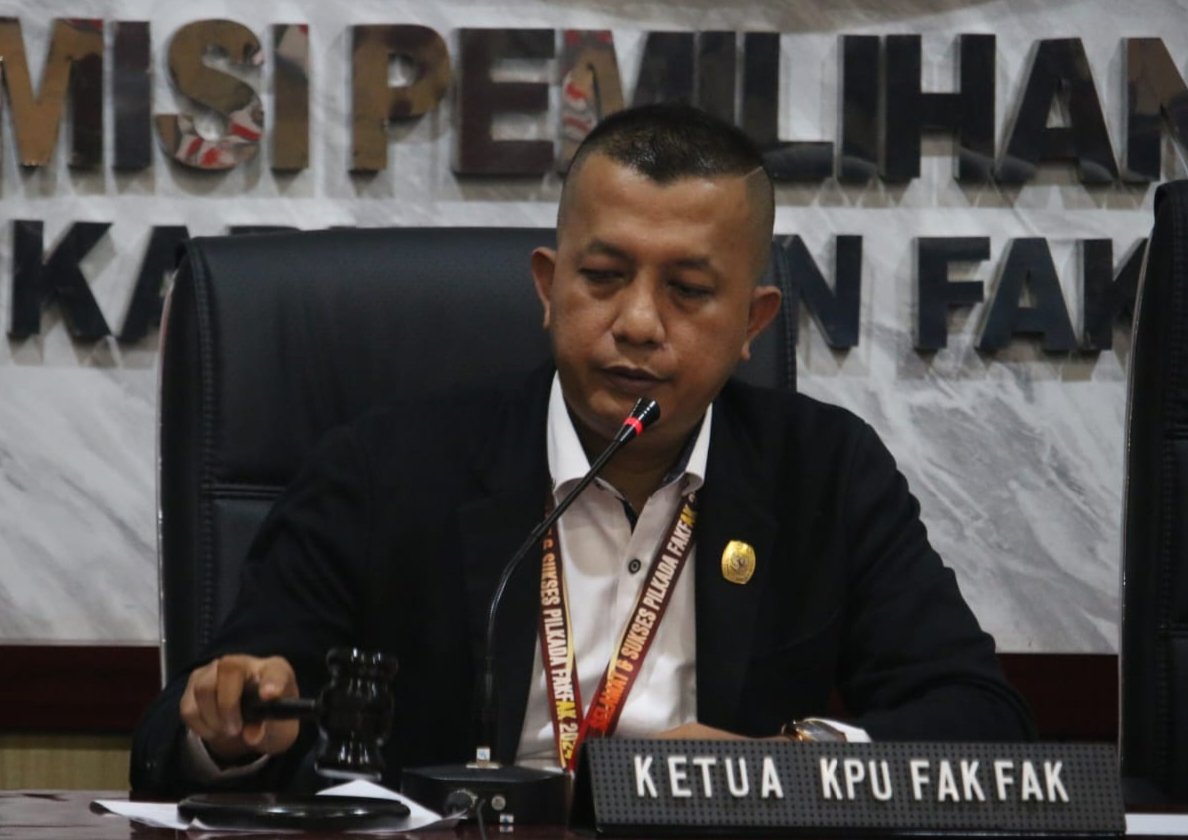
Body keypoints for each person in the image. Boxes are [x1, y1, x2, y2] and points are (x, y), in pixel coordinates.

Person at [131, 103, 1033, 796]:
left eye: (688, 290)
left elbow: (981, 724)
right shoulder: (384, 468)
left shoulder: (825, 474)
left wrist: (779, 767)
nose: (637, 323)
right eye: (603, 277)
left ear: (754, 323)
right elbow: (186, 730)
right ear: (548, 286)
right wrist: (232, 727)